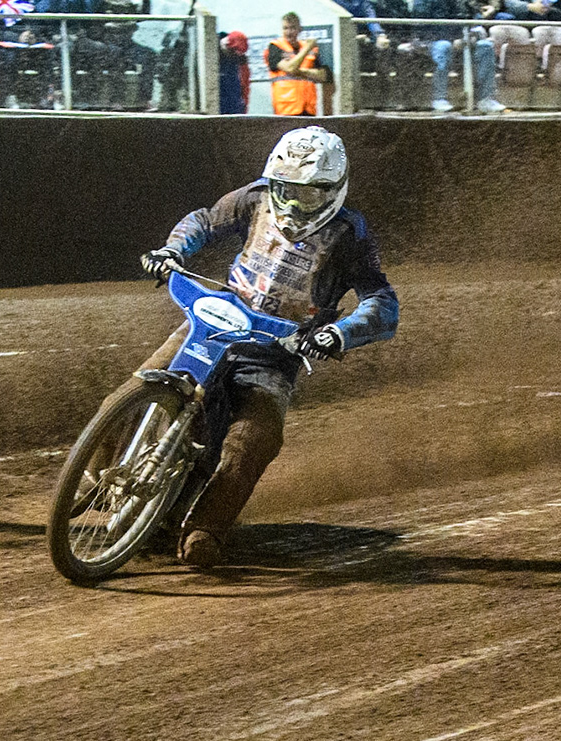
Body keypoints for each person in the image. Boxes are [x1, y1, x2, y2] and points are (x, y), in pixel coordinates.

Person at [136, 127, 399, 567]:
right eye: (285, 191)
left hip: (275, 352)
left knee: (255, 438)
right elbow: (203, 221)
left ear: (333, 190)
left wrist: (339, 333)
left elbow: (381, 300)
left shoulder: (350, 233)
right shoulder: (255, 197)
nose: (293, 205)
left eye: (307, 196)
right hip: (213, 324)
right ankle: (101, 471)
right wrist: (171, 251)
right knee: (141, 388)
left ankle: (206, 528)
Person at [268, 12, 329, 115]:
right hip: (286, 109)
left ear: (299, 29)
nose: (289, 32)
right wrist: (306, 49)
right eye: (285, 28)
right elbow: (290, 69)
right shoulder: (275, 47)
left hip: (308, 108)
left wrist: (299, 71)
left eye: (292, 28)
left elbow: (322, 76)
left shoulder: (310, 48)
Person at [220, 30, 251, 113]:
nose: (236, 56)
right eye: (234, 52)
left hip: (234, 105)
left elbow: (245, 84)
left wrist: (245, 104)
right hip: (219, 103)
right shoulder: (211, 54)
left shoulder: (241, 61)